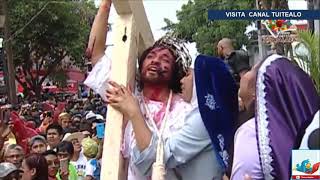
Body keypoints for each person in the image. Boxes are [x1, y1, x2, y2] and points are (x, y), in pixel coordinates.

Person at [86, 1, 192, 179]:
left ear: (175, 72)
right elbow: (95, 54)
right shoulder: (125, 94)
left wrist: (134, 112)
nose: (156, 61)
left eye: (165, 59)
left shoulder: (184, 114)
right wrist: (105, 4)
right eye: (150, 56)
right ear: (141, 66)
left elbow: (152, 159)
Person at [107, 55, 238, 179]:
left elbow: (156, 157)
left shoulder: (204, 120)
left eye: (188, 75)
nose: (182, 80)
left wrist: (134, 112)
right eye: (150, 57)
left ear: (202, 83)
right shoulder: (207, 117)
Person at [231, 54, 320, 179]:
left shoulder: (250, 133)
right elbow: (308, 175)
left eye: (253, 70)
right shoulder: (310, 130)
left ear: (262, 90)